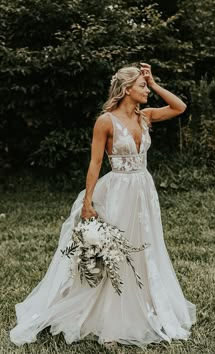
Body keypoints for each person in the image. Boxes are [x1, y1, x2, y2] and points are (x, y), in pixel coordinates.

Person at [10, 63, 196, 348]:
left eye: (147, 86)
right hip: (117, 191)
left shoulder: (145, 116)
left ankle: (145, 303)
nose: (146, 90)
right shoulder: (106, 121)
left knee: (145, 246)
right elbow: (95, 163)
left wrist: (155, 83)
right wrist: (87, 202)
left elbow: (180, 107)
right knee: (114, 251)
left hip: (143, 190)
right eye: (142, 86)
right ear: (126, 89)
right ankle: (110, 318)